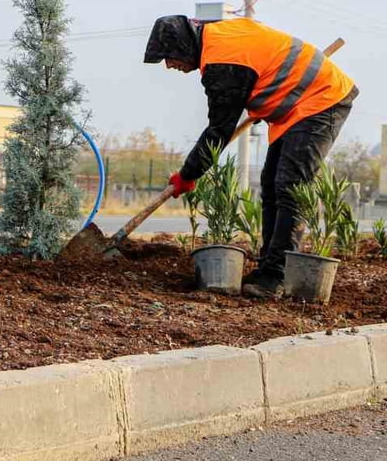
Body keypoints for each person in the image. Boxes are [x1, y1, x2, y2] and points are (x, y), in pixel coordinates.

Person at [144, 15, 356, 297]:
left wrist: (187, 176)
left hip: (320, 100)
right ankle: (269, 265)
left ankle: (277, 276)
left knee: (290, 187)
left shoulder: (223, 60)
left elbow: (218, 131)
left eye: (169, 57)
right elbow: (261, 63)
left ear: (183, 45)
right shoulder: (218, 35)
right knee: (271, 185)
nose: (170, 66)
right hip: (295, 105)